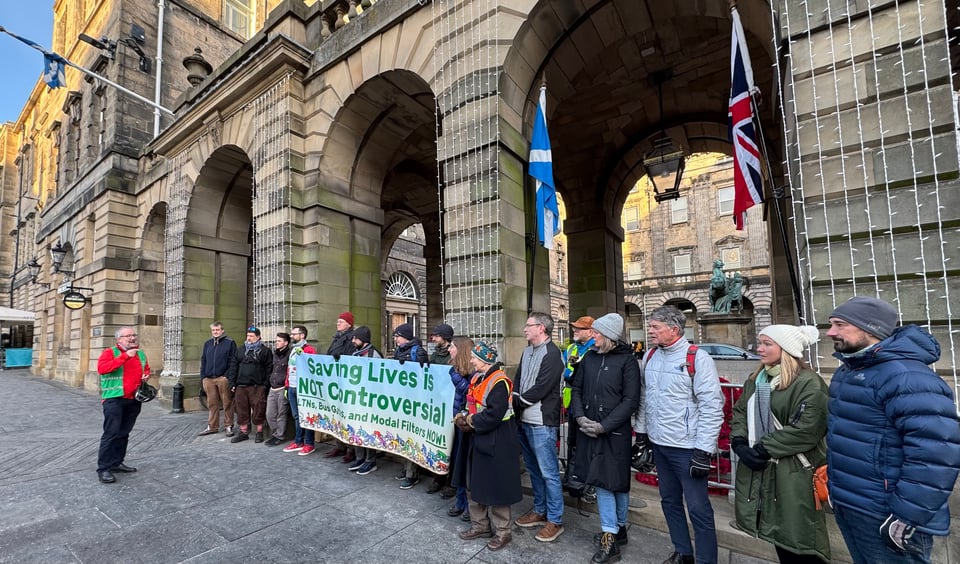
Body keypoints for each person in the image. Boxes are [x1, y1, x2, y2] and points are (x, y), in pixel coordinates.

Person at [826, 296, 960, 564]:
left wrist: (907, 516)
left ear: (870, 328)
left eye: (840, 325)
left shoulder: (907, 376)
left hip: (887, 513)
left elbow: (936, 453)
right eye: (831, 325)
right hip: (852, 504)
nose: (830, 332)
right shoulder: (848, 371)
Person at [730, 325, 830, 563]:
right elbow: (740, 412)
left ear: (785, 349)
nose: (759, 349)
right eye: (760, 343)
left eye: (767, 344)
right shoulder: (757, 379)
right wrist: (740, 442)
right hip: (764, 470)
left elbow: (807, 429)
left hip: (794, 471)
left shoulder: (809, 382)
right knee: (778, 535)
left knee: (800, 539)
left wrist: (764, 448)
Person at [635, 305, 724, 564]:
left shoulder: (698, 358)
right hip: (659, 443)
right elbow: (644, 398)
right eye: (650, 326)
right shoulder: (649, 356)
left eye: (655, 327)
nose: (649, 331)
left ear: (673, 330)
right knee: (669, 502)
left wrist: (703, 450)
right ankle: (683, 552)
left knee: (698, 509)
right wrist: (641, 434)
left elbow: (712, 406)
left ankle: (706, 560)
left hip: (688, 448)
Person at [569, 313, 640, 563]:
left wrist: (604, 426)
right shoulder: (589, 358)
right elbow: (576, 389)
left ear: (609, 336)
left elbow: (631, 400)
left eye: (597, 333)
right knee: (603, 481)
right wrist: (579, 417)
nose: (593, 335)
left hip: (613, 432)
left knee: (614, 482)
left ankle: (614, 533)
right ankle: (614, 530)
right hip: (588, 427)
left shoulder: (628, 361)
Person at [452, 340, 521, 552]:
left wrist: (470, 421)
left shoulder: (500, 381)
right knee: (475, 482)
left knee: (496, 486)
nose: (471, 360)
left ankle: (503, 532)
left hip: (497, 441)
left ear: (484, 360)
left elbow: (494, 414)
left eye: (474, 357)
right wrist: (462, 415)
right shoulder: (478, 377)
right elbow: (470, 403)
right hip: (479, 439)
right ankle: (480, 526)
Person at [513, 312, 566, 542]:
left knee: (549, 473)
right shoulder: (527, 351)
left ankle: (555, 520)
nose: (525, 329)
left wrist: (517, 400)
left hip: (542, 422)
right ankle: (539, 509)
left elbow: (542, 387)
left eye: (529, 325)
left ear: (541, 328)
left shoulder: (553, 354)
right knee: (534, 469)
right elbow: (518, 378)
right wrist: (515, 396)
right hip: (524, 420)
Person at [96, 327, 151, 483]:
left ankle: (116, 462)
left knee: (123, 433)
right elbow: (102, 369)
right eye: (128, 336)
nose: (132, 338)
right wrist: (125, 356)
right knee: (111, 433)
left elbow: (145, 368)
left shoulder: (140, 353)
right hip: (114, 399)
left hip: (133, 399)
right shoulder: (109, 353)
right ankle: (104, 468)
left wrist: (146, 375)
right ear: (119, 339)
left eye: (134, 335)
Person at [392, 322, 429, 489]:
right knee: (402, 435)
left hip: (413, 402)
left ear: (405, 336)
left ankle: (412, 473)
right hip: (401, 399)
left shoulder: (418, 352)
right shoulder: (398, 352)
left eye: (397, 336)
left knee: (411, 437)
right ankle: (405, 467)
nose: (395, 339)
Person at [445, 335, 476, 523]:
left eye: (452, 347)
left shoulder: (472, 372)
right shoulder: (454, 369)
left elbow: (468, 390)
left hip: (470, 424)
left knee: (467, 465)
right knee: (458, 462)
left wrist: (455, 375)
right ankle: (460, 500)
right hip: (458, 422)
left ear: (461, 349)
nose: (449, 350)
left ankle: (470, 506)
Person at [562, 316, 594, 494]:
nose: (575, 330)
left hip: (586, 404)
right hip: (571, 403)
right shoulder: (571, 348)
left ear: (590, 332)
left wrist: (572, 373)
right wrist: (571, 372)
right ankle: (570, 478)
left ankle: (581, 483)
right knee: (571, 443)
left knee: (585, 445)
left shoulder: (594, 348)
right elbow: (565, 371)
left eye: (580, 328)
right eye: (575, 327)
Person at [227, 327, 273, 443]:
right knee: (241, 409)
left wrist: (266, 384)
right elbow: (233, 366)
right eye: (248, 335)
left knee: (259, 408)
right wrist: (232, 383)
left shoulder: (265, 351)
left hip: (258, 385)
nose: (249, 338)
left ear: (258, 337)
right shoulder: (241, 350)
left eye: (252, 336)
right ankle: (243, 432)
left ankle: (259, 432)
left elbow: (269, 368)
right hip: (241, 385)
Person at [426, 322, 456, 496]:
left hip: (450, 404)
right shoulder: (435, 354)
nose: (434, 338)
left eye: (436, 335)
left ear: (444, 337)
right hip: (437, 402)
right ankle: (438, 478)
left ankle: (450, 481)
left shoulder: (453, 354)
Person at [347, 326, 382, 475]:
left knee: (368, 430)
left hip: (369, 399)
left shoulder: (375, 355)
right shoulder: (355, 354)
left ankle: (370, 460)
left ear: (364, 339)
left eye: (356, 338)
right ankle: (360, 457)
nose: (353, 341)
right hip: (356, 398)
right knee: (356, 428)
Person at [324, 312, 357, 461]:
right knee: (336, 414)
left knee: (346, 415)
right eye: (337, 321)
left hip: (345, 381)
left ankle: (350, 449)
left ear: (349, 324)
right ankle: (339, 444)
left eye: (341, 321)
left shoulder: (352, 338)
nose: (338, 324)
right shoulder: (336, 337)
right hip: (335, 381)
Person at [198, 322, 237, 437]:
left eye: (217, 330)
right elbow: (203, 360)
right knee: (212, 403)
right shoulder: (207, 343)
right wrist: (203, 377)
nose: (215, 332)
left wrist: (227, 376)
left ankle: (228, 425)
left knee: (227, 402)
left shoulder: (230, 343)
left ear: (222, 330)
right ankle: (212, 426)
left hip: (222, 378)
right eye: (213, 330)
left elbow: (232, 361)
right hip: (209, 378)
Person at [283, 325, 318, 455]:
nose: (292, 336)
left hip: (303, 388)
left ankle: (309, 443)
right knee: (296, 416)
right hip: (292, 386)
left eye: (294, 334)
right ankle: (299, 441)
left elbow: (312, 368)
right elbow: (289, 368)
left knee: (307, 415)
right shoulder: (293, 349)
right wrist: (287, 385)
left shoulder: (309, 350)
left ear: (302, 335)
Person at [264, 332, 291, 446]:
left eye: (279, 341)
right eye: (276, 341)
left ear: (286, 343)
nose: (276, 343)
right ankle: (275, 433)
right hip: (273, 387)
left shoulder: (290, 354)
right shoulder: (275, 353)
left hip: (282, 387)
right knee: (270, 414)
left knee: (281, 414)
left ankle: (279, 436)